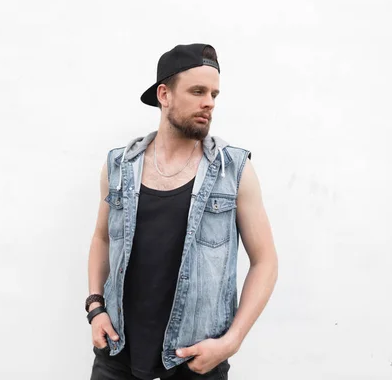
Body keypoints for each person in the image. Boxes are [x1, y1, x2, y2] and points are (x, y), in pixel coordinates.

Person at [85, 43, 278, 380]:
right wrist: (95, 307)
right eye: (198, 91)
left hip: (197, 360)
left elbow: (266, 262)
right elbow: (102, 239)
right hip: (118, 354)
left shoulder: (234, 171)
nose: (209, 102)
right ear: (165, 94)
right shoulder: (118, 166)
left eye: (214, 94)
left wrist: (230, 343)